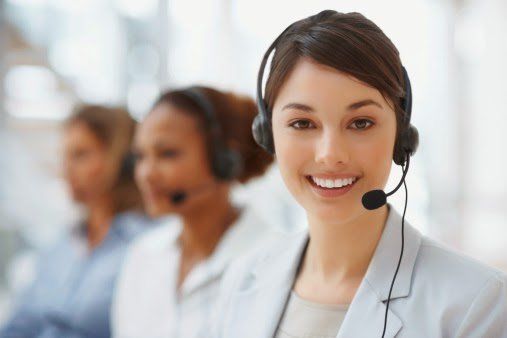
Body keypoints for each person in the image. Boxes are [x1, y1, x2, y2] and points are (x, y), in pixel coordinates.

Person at [210, 10, 507, 338]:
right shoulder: (241, 280)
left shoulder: (477, 303)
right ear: (267, 134)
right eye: (302, 123)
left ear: (401, 136)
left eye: (361, 123)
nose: (331, 154)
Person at [111, 86, 275, 338]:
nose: (146, 173)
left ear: (225, 160)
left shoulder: (272, 262)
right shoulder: (142, 255)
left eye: (167, 154)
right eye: (140, 156)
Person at [0, 105, 148, 338]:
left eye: (80, 155)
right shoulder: (60, 246)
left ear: (122, 160)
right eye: (65, 156)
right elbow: (22, 321)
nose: (66, 169)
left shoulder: (147, 245)